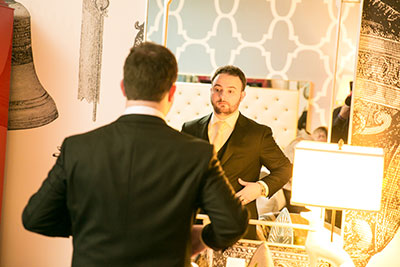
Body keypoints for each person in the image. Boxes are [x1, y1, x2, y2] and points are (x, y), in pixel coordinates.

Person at [22, 42, 248, 267]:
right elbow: (233, 224)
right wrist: (202, 237)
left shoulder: (78, 148)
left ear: (123, 87)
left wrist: (89, 227)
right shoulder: (198, 154)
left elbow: (36, 217)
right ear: (171, 92)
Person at [181, 65, 292, 239]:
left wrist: (260, 188)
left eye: (231, 91)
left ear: (242, 95)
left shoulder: (258, 134)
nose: (222, 96)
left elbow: (285, 168)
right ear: (211, 91)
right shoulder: (190, 128)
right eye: (218, 89)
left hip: (239, 223)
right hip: (194, 222)